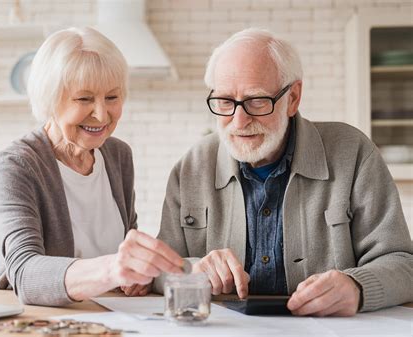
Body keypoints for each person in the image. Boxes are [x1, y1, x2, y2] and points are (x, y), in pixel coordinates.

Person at [156, 27, 413, 316]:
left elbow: (403, 263)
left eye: (256, 100)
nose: (239, 121)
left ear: (293, 98)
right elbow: (157, 272)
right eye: (226, 101)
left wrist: (357, 286)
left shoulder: (352, 152)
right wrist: (193, 269)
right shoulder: (191, 166)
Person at [0, 27, 184, 306]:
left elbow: (126, 245)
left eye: (112, 97)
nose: (102, 114)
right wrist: (111, 270)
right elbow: (24, 273)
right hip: (42, 322)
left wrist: (137, 275)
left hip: (113, 318)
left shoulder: (118, 155)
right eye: (84, 99)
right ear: (50, 98)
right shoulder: (16, 165)